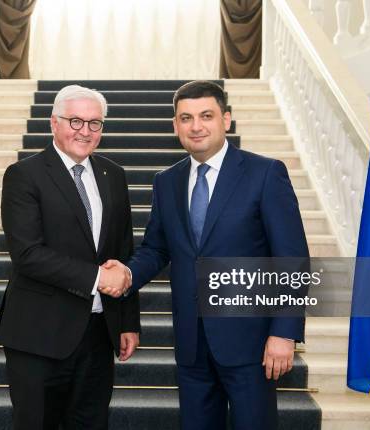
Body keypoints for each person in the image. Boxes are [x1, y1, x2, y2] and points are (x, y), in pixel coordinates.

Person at [103, 80, 309, 430]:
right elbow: (156, 248)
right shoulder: (166, 181)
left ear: (226, 120)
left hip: (252, 344)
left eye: (206, 116)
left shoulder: (265, 173)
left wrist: (284, 332)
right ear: (175, 126)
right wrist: (128, 274)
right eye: (186, 118)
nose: (196, 126)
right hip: (191, 344)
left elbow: (291, 259)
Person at [0, 85, 140, 430]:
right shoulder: (24, 175)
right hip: (38, 333)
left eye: (94, 123)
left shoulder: (113, 175)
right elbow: (28, 254)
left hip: (97, 333)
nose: (85, 131)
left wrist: (127, 322)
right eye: (75, 121)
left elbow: (123, 252)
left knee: (91, 422)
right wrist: (96, 278)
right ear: (53, 123)